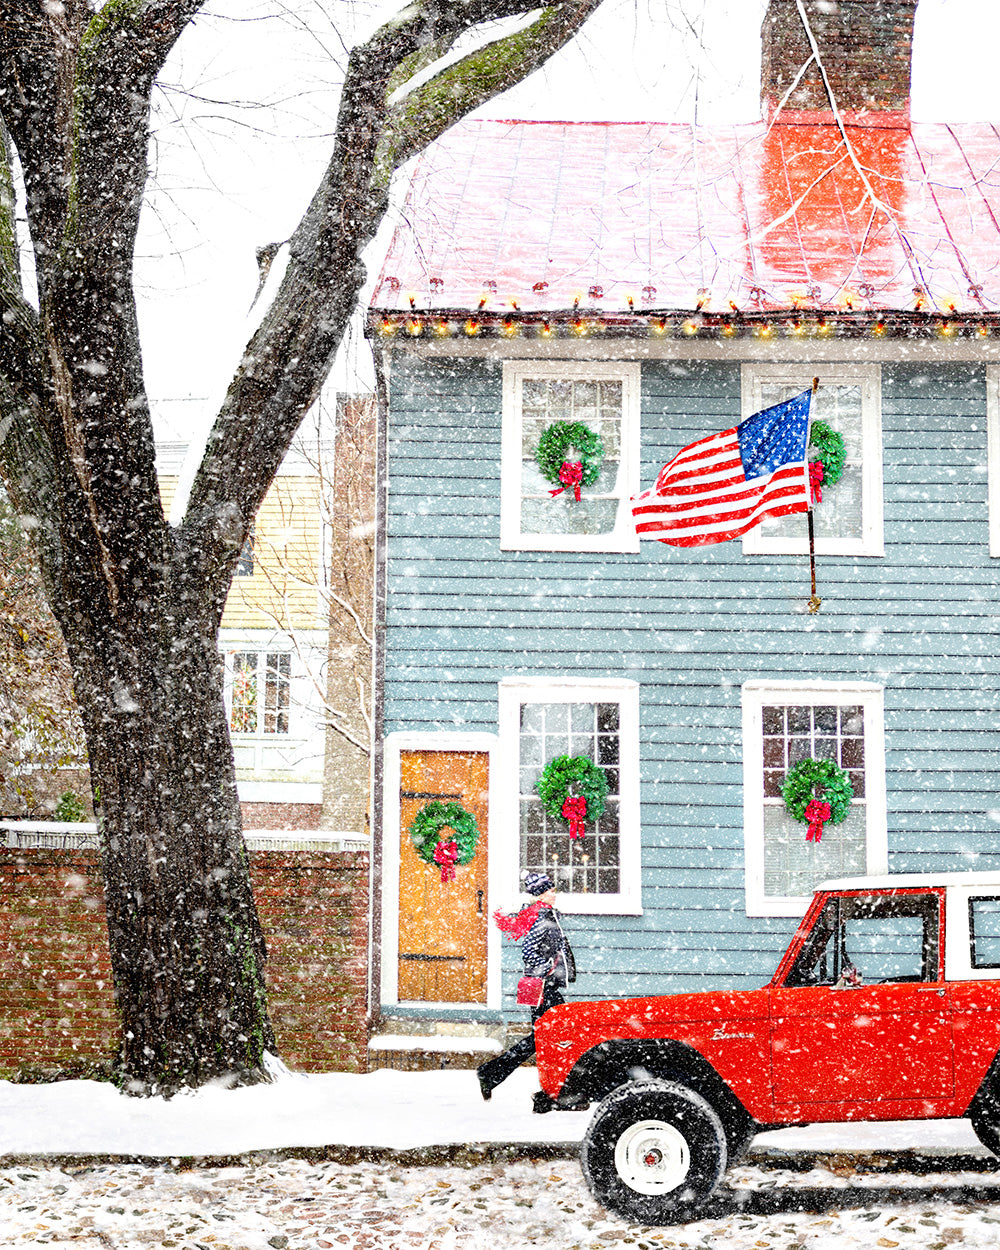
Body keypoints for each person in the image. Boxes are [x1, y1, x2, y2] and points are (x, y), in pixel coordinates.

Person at [476, 871, 575, 1102]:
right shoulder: (541, 916)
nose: (554, 894)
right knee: (548, 1036)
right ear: (541, 893)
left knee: (545, 1037)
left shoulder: (546, 913)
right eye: (551, 890)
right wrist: (548, 968)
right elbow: (530, 950)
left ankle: (546, 1092)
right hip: (542, 986)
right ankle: (495, 1074)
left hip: (543, 985)